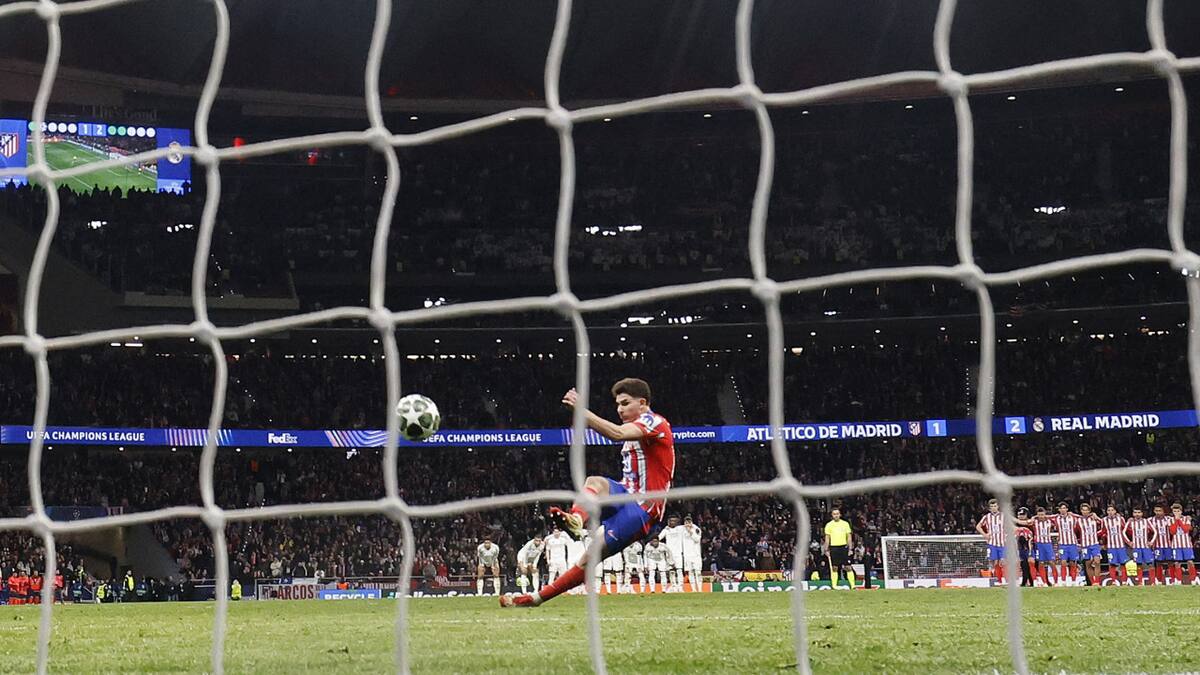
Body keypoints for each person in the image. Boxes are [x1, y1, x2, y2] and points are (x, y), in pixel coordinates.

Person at [502, 378, 675, 608]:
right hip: (625, 493)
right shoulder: (638, 429)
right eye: (618, 404)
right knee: (595, 481)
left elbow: (616, 433)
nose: (619, 409)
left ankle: (536, 598)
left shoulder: (655, 422)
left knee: (589, 558)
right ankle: (576, 519)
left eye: (625, 403)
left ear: (642, 403)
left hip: (643, 508)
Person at [975, 498, 1007, 585]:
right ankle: (999, 580)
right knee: (995, 562)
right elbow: (978, 526)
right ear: (989, 508)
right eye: (992, 506)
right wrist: (984, 534)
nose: (993, 508)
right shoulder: (986, 517)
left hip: (1002, 543)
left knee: (1003, 562)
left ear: (998, 507)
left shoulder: (1004, 516)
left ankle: (1007, 580)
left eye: (995, 506)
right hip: (992, 543)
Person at [1124, 507, 1158, 585]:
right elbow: (1123, 532)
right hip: (1136, 547)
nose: (1137, 514)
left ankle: (1153, 582)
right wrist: (1129, 542)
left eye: (1139, 512)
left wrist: (1151, 542)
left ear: (1142, 513)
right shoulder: (1130, 522)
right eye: (1135, 512)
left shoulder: (1146, 521)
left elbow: (1155, 531)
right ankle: (1140, 582)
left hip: (1146, 547)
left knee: (1150, 564)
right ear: (1133, 514)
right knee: (1139, 565)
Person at [823, 508, 853, 590]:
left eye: (837, 514)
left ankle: (853, 586)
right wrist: (826, 549)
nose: (836, 515)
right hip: (834, 547)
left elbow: (849, 537)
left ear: (840, 514)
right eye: (834, 514)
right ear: (832, 515)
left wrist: (850, 548)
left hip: (843, 547)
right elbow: (827, 538)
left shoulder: (845, 524)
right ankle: (834, 585)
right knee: (834, 567)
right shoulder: (829, 525)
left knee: (848, 567)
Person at [1051, 502, 1081, 586]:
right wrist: (1034, 517)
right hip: (1062, 544)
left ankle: (1074, 581)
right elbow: (1046, 517)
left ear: (1067, 509)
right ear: (1059, 509)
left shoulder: (1073, 517)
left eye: (1064, 508)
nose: (1063, 510)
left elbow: (1082, 517)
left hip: (1072, 543)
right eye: (1061, 508)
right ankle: (1063, 581)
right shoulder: (1056, 518)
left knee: (1073, 563)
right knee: (1063, 562)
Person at [1075, 503, 1103, 586]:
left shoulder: (1094, 518)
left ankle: (1097, 581)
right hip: (1085, 545)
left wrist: (1096, 516)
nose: (1085, 511)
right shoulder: (1078, 521)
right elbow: (1075, 532)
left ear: (1089, 511)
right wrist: (1078, 544)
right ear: (1081, 511)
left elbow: (1103, 524)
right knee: (1088, 563)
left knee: (1097, 561)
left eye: (1086, 510)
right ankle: (1092, 582)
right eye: (1083, 510)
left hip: (1094, 544)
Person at [1100, 505, 1130, 586]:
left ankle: (1124, 582)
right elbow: (1103, 532)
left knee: (1123, 564)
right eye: (1108, 510)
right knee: (1112, 564)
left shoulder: (1121, 519)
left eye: (1112, 510)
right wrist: (1104, 543)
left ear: (1115, 511)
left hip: (1120, 545)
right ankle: (1113, 581)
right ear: (1106, 512)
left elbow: (1125, 530)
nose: (1110, 512)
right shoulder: (1104, 520)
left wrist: (1128, 542)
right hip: (1111, 546)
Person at [1168, 502, 1195, 585]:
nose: (1176, 513)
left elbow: (1186, 529)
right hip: (1176, 545)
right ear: (1172, 512)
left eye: (1178, 511)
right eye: (1174, 511)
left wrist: (1178, 520)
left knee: (1190, 561)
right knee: (1177, 563)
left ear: (1181, 511)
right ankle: (1179, 580)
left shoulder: (1187, 519)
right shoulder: (1170, 520)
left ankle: (1193, 579)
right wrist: (1176, 520)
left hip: (1186, 544)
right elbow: (1173, 531)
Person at [658, 516, 686, 592]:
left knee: (679, 570)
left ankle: (680, 586)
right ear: (668, 522)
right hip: (669, 554)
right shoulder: (666, 530)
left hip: (678, 553)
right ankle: (673, 586)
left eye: (674, 521)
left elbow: (689, 525)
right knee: (671, 571)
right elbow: (658, 538)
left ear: (677, 522)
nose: (672, 522)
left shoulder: (680, 529)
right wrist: (663, 547)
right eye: (671, 521)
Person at [1150, 504, 1174, 585]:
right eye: (1156, 511)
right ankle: (1159, 580)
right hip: (1157, 545)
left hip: (1168, 545)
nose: (1158, 512)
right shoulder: (1150, 520)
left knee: (1170, 562)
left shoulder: (1169, 519)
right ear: (1154, 511)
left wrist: (1188, 517)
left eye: (1160, 511)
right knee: (1158, 563)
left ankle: (1173, 580)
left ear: (1163, 511)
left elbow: (1180, 518)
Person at [682, 516, 703, 592]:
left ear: (692, 522)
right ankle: (693, 589)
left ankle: (700, 589)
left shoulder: (696, 529)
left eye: (689, 522)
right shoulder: (682, 530)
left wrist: (691, 532)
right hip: (687, 555)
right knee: (690, 572)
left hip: (696, 555)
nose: (687, 524)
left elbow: (697, 539)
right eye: (686, 522)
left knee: (697, 572)